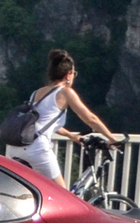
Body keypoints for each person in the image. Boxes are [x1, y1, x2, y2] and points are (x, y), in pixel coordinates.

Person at [12, 48, 118, 185]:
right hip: (37, 149)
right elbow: (90, 118)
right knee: (62, 195)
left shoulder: (36, 93)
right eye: (74, 73)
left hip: (16, 146)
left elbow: (42, 123)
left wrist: (71, 136)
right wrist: (112, 139)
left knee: (32, 190)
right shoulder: (65, 92)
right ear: (68, 75)